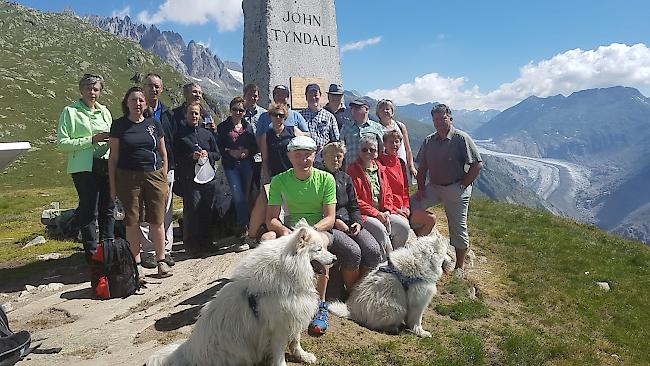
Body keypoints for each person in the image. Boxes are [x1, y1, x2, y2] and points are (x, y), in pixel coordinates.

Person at [265, 136, 336, 335]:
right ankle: (270, 296)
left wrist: (310, 233)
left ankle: (321, 305)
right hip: (290, 229)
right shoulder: (279, 180)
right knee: (266, 239)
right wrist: (285, 232)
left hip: (318, 230)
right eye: (298, 155)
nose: (303, 160)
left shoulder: (326, 179)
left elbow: (330, 218)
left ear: (315, 156)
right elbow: (271, 219)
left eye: (308, 155)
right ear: (289, 156)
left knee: (321, 244)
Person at [410, 104, 483, 279]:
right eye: (435, 119)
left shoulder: (460, 138)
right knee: (410, 206)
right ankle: (422, 240)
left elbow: (477, 164)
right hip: (434, 187)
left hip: (455, 187)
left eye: (442, 118)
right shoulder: (429, 141)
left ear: (450, 118)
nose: (439, 122)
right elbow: (423, 167)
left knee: (458, 227)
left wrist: (463, 185)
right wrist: (420, 189)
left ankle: (459, 267)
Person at [108, 87, 171, 280]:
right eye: (134, 100)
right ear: (126, 103)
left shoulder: (154, 124)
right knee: (132, 222)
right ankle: (136, 265)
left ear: (145, 104)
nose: (138, 103)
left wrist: (164, 177)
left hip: (154, 175)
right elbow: (113, 157)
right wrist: (113, 186)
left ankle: (161, 261)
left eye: (141, 100)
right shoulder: (119, 125)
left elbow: (163, 153)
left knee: (157, 220)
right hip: (128, 178)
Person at [56, 74, 114, 262]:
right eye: (89, 89)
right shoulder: (70, 111)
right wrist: (91, 140)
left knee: (108, 207)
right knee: (90, 208)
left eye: (96, 89)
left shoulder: (105, 111)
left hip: (105, 164)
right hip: (83, 167)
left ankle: (109, 248)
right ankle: (91, 254)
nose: (92, 93)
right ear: (81, 90)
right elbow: (62, 143)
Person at [319, 142, 382, 291]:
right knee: (353, 252)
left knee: (373, 250)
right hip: (330, 225)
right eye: (332, 156)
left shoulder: (345, 178)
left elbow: (354, 206)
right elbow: (316, 208)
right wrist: (336, 222)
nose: (336, 159)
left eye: (339, 156)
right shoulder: (318, 177)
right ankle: (352, 291)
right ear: (323, 157)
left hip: (349, 222)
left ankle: (363, 290)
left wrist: (357, 223)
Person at [242, 103, 307, 246]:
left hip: (292, 175)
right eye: (275, 115)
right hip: (275, 176)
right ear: (270, 116)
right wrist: (265, 178)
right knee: (262, 201)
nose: (278, 118)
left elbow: (305, 143)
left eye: (281, 115)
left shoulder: (292, 130)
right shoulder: (267, 135)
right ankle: (251, 236)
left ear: (285, 117)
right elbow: (264, 159)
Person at [347, 136, 410, 255]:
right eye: (364, 150)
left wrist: (387, 210)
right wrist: (376, 214)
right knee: (380, 230)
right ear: (359, 152)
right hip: (364, 215)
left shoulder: (380, 168)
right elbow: (355, 200)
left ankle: (397, 257)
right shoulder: (353, 170)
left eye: (372, 149)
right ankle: (384, 263)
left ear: (377, 152)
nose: (368, 152)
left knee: (403, 227)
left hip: (382, 211)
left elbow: (388, 192)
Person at [175, 101, 221, 256]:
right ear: (185, 115)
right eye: (191, 113)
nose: (194, 116)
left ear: (200, 116)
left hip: (208, 177)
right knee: (192, 210)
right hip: (190, 178)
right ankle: (191, 244)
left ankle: (207, 242)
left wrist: (208, 154)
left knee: (207, 209)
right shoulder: (180, 135)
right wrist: (191, 156)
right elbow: (176, 157)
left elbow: (217, 154)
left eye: (196, 113)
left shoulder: (207, 134)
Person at [139, 73, 176, 268]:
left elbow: (172, 141)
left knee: (166, 210)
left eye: (157, 87)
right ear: (143, 88)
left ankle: (166, 250)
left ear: (161, 89)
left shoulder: (169, 114)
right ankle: (149, 252)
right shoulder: (136, 112)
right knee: (146, 211)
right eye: (150, 86)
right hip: (143, 168)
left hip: (165, 168)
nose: (154, 89)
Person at [379, 128, 436, 236]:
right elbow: (382, 193)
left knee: (431, 219)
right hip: (390, 209)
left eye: (397, 142)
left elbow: (405, 189)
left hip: (403, 208)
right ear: (385, 144)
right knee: (404, 226)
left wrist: (406, 207)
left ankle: (415, 247)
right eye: (391, 142)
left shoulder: (400, 162)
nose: (394, 145)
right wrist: (395, 209)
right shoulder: (380, 163)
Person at [216, 96, 257, 237]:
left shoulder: (248, 127)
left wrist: (247, 152)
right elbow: (219, 146)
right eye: (235, 109)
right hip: (231, 165)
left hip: (246, 165)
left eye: (241, 110)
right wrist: (230, 151)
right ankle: (242, 228)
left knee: (245, 196)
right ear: (230, 110)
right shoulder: (222, 127)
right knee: (238, 195)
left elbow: (254, 146)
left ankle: (242, 225)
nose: (238, 112)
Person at [376, 99, 418, 178]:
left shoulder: (400, 126)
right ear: (378, 113)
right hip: (384, 167)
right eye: (382, 109)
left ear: (392, 112)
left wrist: (411, 166)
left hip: (401, 165)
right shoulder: (376, 128)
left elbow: (407, 148)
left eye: (388, 109)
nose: (385, 111)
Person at [339, 98, 384, 168]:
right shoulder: (345, 127)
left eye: (357, 107)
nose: (354, 110)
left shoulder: (376, 127)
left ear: (366, 109)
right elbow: (341, 148)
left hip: (372, 169)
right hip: (351, 170)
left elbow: (382, 148)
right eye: (352, 108)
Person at [299, 83, 339, 159]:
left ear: (320, 95)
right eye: (310, 95)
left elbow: (336, 141)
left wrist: (325, 149)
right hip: (305, 157)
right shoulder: (299, 116)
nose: (313, 97)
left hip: (324, 158)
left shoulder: (329, 116)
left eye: (316, 95)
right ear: (306, 97)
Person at [242, 83, 266, 200]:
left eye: (255, 95)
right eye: (250, 95)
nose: (253, 98)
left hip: (261, 157)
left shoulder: (264, 114)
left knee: (260, 188)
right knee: (247, 189)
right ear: (244, 95)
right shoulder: (239, 113)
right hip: (245, 157)